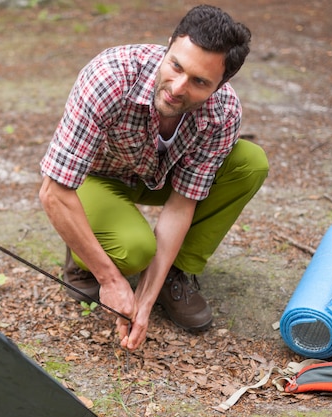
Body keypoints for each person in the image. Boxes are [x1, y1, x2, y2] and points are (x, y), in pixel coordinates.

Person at [39, 4, 268, 351]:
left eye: (199, 82)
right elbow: (53, 192)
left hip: (161, 179)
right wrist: (111, 279)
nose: (177, 88)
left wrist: (144, 301)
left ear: (221, 84)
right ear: (169, 44)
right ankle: (85, 259)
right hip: (99, 177)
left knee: (249, 162)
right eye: (176, 66)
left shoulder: (224, 112)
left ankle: (175, 274)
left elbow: (182, 204)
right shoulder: (110, 76)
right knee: (134, 252)